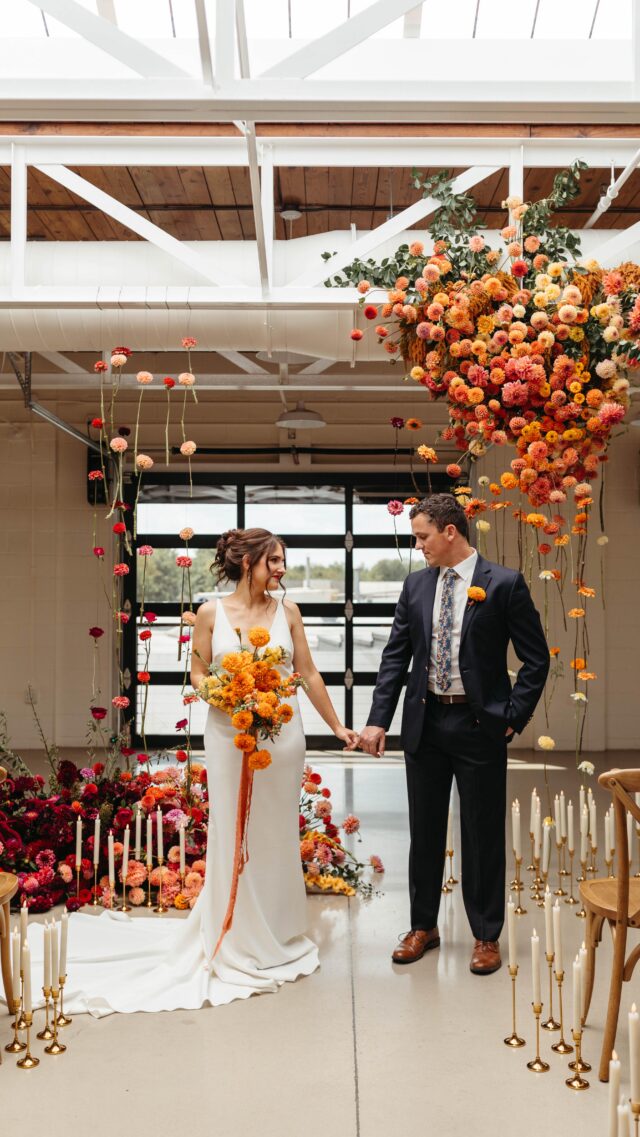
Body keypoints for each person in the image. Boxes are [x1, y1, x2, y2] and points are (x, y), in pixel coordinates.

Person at [8, 528, 357, 1016]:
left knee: (276, 830)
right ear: (248, 562)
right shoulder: (211, 613)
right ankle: (232, 929)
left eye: (283, 561)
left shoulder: (289, 612)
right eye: (273, 561)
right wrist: (231, 696)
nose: (281, 569)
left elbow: (309, 673)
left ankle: (276, 930)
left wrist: (337, 727)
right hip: (228, 733)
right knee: (231, 829)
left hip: (282, 734)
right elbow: (197, 674)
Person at [357, 494, 549, 975]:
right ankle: (423, 926)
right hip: (425, 724)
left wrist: (512, 714)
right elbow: (396, 656)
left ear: (449, 531)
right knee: (424, 830)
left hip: (479, 725)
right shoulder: (416, 585)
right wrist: (379, 720)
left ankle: (486, 935)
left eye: (422, 536)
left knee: (482, 833)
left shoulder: (504, 583)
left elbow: (536, 658)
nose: (418, 545)